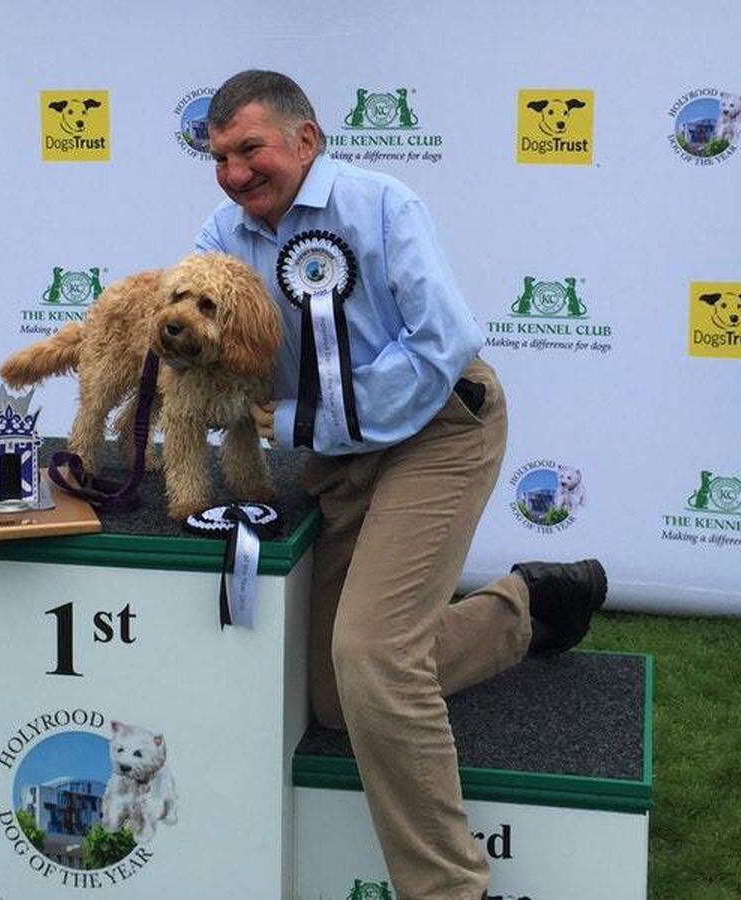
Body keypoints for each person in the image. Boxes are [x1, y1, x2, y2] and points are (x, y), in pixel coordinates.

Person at [195, 70, 606, 900]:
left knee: (373, 655)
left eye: (251, 149)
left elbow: (439, 344)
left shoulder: (383, 207)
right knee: (337, 696)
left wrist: (300, 424)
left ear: (305, 141)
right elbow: (209, 344)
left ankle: (453, 889)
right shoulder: (219, 234)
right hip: (341, 457)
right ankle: (526, 609)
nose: (235, 174)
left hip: (439, 432)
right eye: (219, 157)